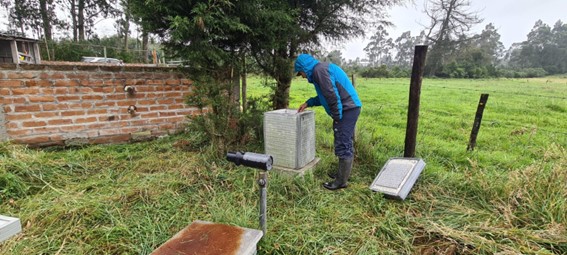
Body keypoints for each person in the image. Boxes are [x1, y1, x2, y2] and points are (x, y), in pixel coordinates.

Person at [294, 53, 362, 191]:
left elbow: (331, 95)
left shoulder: (320, 71)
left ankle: (341, 181)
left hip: (347, 109)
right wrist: (309, 102)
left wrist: (337, 117)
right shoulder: (320, 70)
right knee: (344, 141)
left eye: (301, 73)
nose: (302, 76)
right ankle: (342, 174)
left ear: (304, 68)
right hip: (348, 108)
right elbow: (324, 96)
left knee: (343, 143)